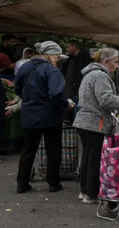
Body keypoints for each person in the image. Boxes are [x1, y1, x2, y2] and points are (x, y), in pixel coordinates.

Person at [73, 48, 119, 210]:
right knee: (95, 159)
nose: (117, 66)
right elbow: (106, 100)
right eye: (116, 62)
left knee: (88, 157)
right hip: (95, 123)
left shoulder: (91, 74)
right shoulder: (100, 76)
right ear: (106, 61)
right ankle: (91, 193)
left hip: (86, 122)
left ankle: (85, 191)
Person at [14, 41, 71, 194]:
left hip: (29, 115)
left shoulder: (24, 67)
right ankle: (53, 183)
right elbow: (56, 94)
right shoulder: (52, 70)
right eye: (58, 57)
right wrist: (66, 104)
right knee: (53, 150)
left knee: (28, 150)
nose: (58, 60)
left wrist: (29, 100)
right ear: (49, 55)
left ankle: (22, 183)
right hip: (50, 116)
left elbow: (17, 88)